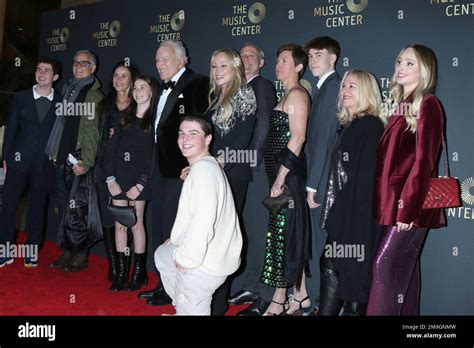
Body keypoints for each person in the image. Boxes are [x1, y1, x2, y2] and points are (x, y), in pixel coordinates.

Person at [367, 44, 446, 315]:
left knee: (382, 265)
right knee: (405, 275)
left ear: (424, 70)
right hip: (393, 202)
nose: (401, 67)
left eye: (410, 63)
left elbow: (425, 162)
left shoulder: (429, 104)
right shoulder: (400, 105)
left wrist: (408, 208)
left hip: (410, 205)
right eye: (399, 61)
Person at [138, 40, 209, 306]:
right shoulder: (160, 89)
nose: (159, 65)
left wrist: (193, 163)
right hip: (158, 167)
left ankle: (176, 289)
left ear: (182, 59)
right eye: (157, 60)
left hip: (180, 170)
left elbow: (201, 124)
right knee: (159, 226)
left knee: (175, 230)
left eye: (165, 60)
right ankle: (163, 283)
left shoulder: (196, 83)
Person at [154, 114, 243, 315]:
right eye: (181, 134)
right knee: (163, 254)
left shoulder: (203, 171)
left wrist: (188, 258)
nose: (185, 139)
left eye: (193, 134)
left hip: (205, 264)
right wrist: (177, 240)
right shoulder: (204, 166)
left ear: (208, 139)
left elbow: (204, 221)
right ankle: (183, 304)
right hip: (214, 254)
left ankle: (188, 306)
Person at [318, 69, 385, 316]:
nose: (345, 91)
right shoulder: (354, 125)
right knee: (339, 269)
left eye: (353, 87)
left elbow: (365, 182)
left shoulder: (368, 126)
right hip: (349, 217)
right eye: (344, 86)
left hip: (356, 220)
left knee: (341, 270)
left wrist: (344, 221)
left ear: (366, 92)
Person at [205, 48, 257, 315]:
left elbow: (243, 138)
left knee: (223, 239)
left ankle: (218, 303)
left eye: (223, 66)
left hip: (231, 176)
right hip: (211, 173)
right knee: (209, 236)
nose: (217, 71)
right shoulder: (216, 95)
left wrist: (220, 163)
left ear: (235, 67)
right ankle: (207, 297)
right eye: (214, 66)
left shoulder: (244, 93)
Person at [260, 44, 311, 316]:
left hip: (288, 179)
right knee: (287, 235)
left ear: (299, 66)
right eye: (277, 60)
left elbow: (298, 137)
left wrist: (281, 177)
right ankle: (300, 295)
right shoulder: (287, 95)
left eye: (284, 60)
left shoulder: (297, 96)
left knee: (283, 237)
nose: (278, 65)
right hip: (280, 177)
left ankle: (279, 300)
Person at [228, 43, 278, 316]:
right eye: (241, 56)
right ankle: (248, 283)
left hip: (256, 169)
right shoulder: (239, 88)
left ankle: (261, 289)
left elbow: (264, 126)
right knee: (246, 227)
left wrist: (252, 161)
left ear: (261, 62)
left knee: (259, 229)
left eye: (250, 56)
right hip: (243, 168)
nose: (245, 60)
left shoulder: (262, 86)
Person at [0, 58, 61, 268]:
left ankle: (31, 251)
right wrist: (5, 159)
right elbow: (11, 130)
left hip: (43, 165)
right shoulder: (21, 97)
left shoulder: (61, 103)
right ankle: (5, 251)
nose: (42, 73)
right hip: (17, 162)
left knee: (37, 208)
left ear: (55, 77)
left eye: (47, 70)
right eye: (39, 69)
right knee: (8, 207)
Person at [46, 49, 103, 272]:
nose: (78, 66)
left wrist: (86, 162)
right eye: (75, 62)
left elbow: (91, 132)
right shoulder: (68, 88)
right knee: (65, 206)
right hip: (62, 156)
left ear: (93, 68)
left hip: (78, 160)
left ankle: (80, 255)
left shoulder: (93, 95)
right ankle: (68, 250)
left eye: (84, 63)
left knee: (79, 210)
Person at [106, 75, 156, 291]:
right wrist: (110, 179)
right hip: (118, 179)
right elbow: (110, 149)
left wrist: (141, 184)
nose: (138, 91)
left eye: (143, 87)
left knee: (136, 225)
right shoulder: (124, 117)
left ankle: (138, 274)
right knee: (120, 226)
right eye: (135, 87)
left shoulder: (155, 121)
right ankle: (120, 274)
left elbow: (152, 156)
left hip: (139, 183)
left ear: (151, 91)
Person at [303, 36, 341, 307]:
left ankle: (320, 304)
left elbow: (325, 140)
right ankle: (316, 301)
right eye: (311, 56)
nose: (312, 60)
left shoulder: (331, 88)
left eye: (319, 55)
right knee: (316, 243)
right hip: (320, 178)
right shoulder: (323, 87)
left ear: (333, 58)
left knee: (320, 243)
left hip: (322, 181)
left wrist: (313, 184)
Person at [96, 61, 137, 282]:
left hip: (128, 170)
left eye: (124, 76)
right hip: (104, 167)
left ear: (132, 81)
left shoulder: (138, 104)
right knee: (107, 217)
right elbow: (96, 135)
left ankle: (125, 266)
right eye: (116, 75)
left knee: (127, 219)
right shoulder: (105, 104)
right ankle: (113, 265)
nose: (118, 79)